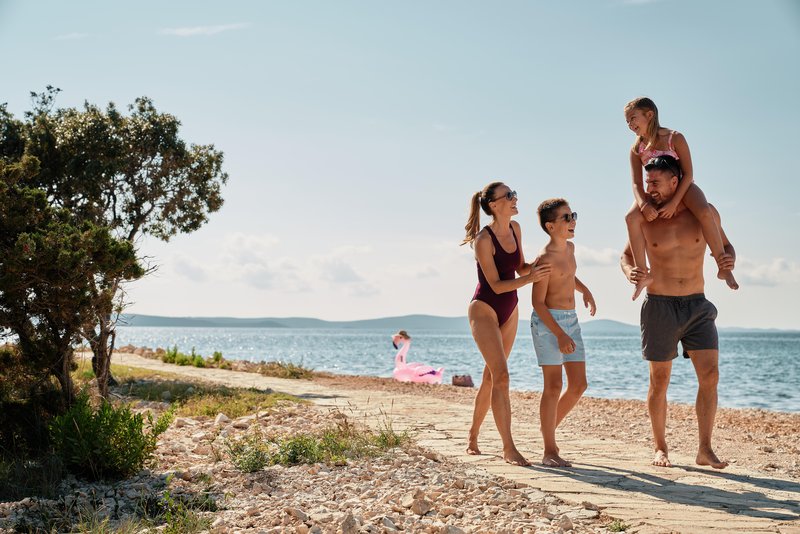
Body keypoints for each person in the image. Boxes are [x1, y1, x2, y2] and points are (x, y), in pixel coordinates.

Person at [621, 154, 735, 469]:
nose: (650, 189)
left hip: (698, 305)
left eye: (656, 183)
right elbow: (625, 255)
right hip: (659, 305)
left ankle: (705, 449)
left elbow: (727, 247)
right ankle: (660, 448)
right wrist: (631, 270)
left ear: (676, 182)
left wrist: (729, 261)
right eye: (647, 183)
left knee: (710, 375)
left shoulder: (704, 214)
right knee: (659, 380)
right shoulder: (646, 218)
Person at [462, 182, 551, 466]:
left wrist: (538, 266)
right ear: (494, 205)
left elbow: (521, 267)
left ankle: (473, 435)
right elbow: (496, 285)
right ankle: (508, 447)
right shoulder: (483, 240)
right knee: (501, 376)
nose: (515, 199)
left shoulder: (516, 229)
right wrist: (529, 280)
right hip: (485, 308)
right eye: (509, 196)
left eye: (514, 194)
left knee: (491, 377)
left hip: (510, 309)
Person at [623, 97, 738, 300]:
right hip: (654, 190)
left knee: (704, 211)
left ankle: (724, 267)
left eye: (633, 118)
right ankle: (642, 274)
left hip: (683, 186)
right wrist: (644, 204)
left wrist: (675, 202)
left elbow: (688, 173)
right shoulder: (636, 149)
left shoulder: (674, 138)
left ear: (649, 115)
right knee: (631, 218)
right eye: (627, 122)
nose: (630, 125)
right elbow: (637, 184)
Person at [530, 198, 596, 467]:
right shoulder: (544, 260)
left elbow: (568, 276)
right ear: (550, 225)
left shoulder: (570, 248)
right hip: (548, 324)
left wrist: (585, 290)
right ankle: (549, 450)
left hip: (571, 321)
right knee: (554, 385)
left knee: (579, 384)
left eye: (573, 216)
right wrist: (559, 334)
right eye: (566, 218)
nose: (573, 222)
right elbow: (537, 302)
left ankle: (547, 430)